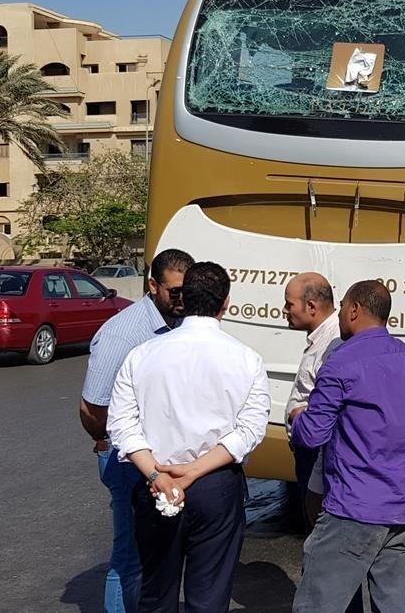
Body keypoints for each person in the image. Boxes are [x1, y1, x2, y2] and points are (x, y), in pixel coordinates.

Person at [107, 261, 271, 612]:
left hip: (155, 483)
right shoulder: (247, 359)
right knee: (209, 598)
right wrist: (196, 470)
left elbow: (120, 424)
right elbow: (250, 429)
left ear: (182, 300)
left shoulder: (142, 355)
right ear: (225, 302)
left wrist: (155, 473)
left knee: (155, 594)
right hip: (215, 486)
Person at [290, 280, 405, 613]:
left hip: (355, 508)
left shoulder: (341, 362)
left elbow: (311, 435)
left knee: (316, 605)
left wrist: (298, 417)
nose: (338, 315)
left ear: (354, 310)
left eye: (341, 309)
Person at [78, 248, 193, 613]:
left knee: (152, 552)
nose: (181, 299)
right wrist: (108, 440)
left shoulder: (178, 323)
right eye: (173, 291)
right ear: (152, 285)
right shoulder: (123, 334)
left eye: (186, 291)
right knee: (128, 557)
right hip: (126, 456)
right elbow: (92, 406)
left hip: (157, 457)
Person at [282, 272, 342, 529]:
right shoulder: (321, 338)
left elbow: (330, 406)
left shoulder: (333, 344)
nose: (284, 310)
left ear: (311, 306)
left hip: (316, 454)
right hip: (308, 451)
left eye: (289, 304)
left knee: (318, 531)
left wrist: (299, 417)